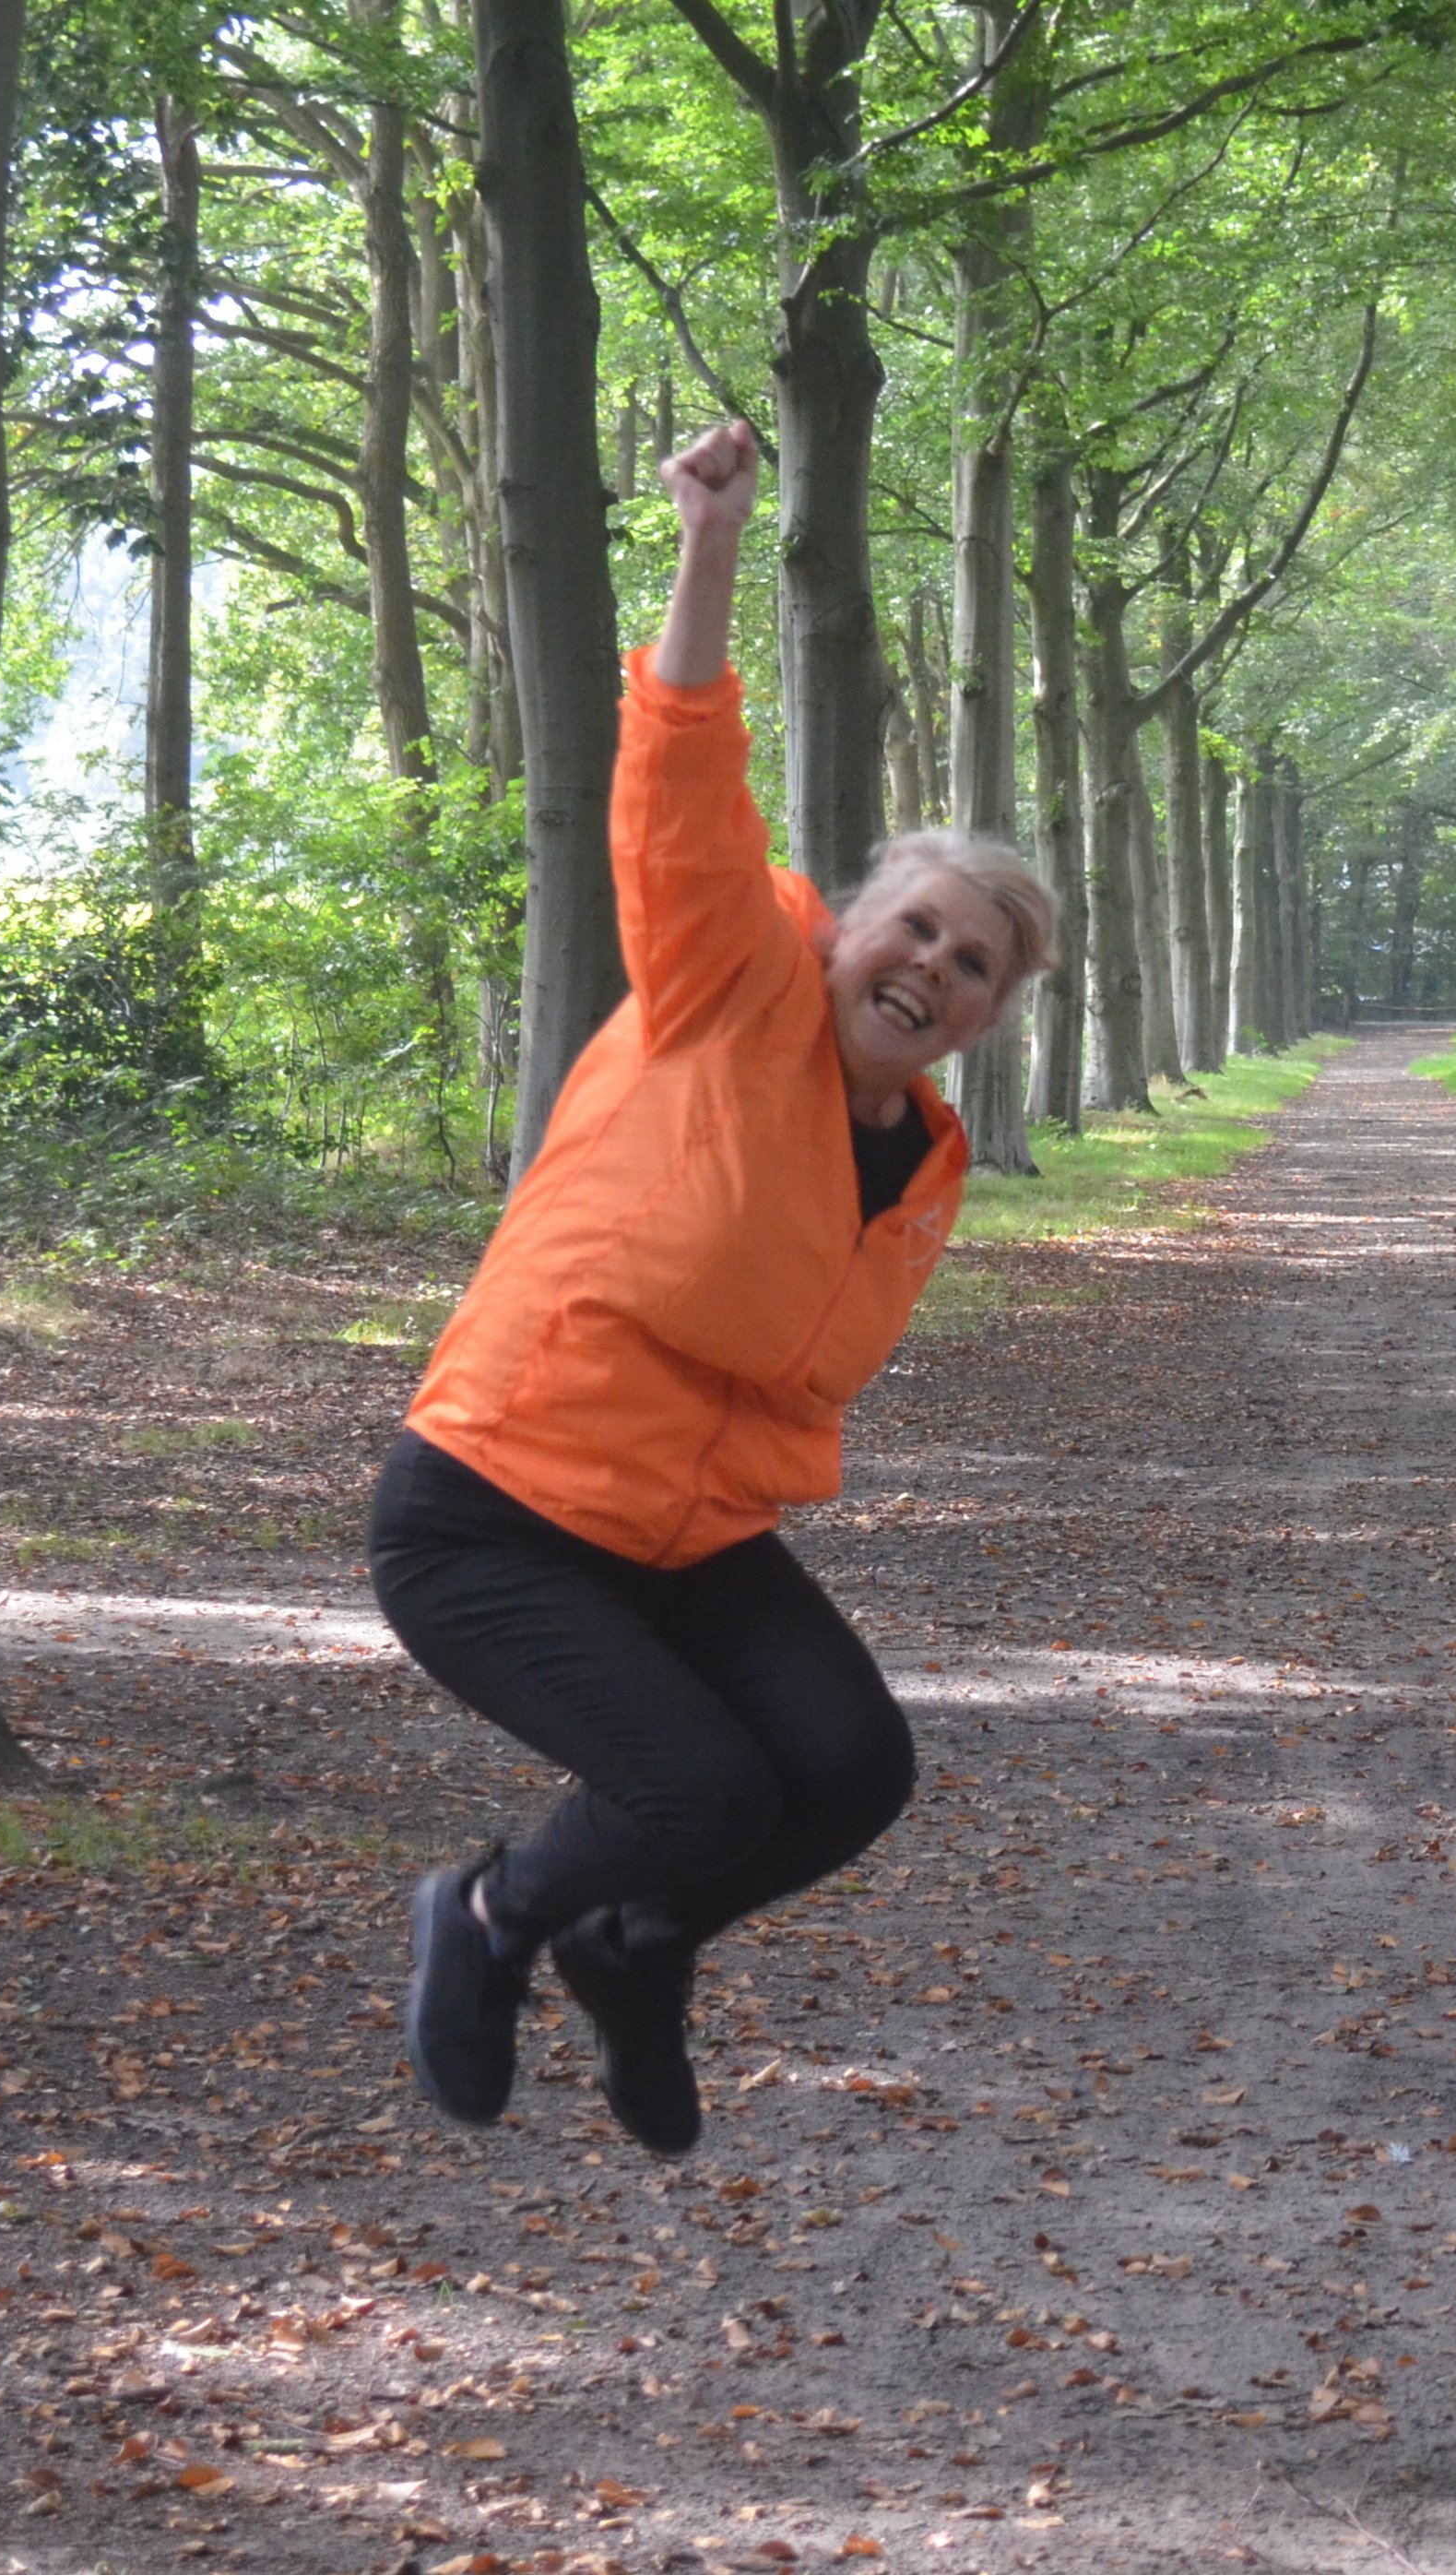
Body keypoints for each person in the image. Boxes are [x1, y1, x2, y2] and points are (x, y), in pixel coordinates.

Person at [370, 417, 1056, 2156]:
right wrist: (711, 542)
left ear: (985, 1018)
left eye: (972, 968)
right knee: (695, 1782)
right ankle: (491, 1918)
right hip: (499, 1504)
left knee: (849, 1771)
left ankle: (633, 1943)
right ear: (843, 925)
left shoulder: (927, 1157)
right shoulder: (722, 978)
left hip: (684, 1533)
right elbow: (673, 771)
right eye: (915, 928)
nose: (932, 969)